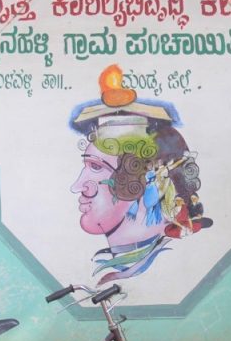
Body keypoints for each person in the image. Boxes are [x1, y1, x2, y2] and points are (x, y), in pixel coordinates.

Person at [69, 64, 212, 285]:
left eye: (96, 167)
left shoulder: (168, 268)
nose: (77, 186)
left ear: (144, 179)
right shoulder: (111, 263)